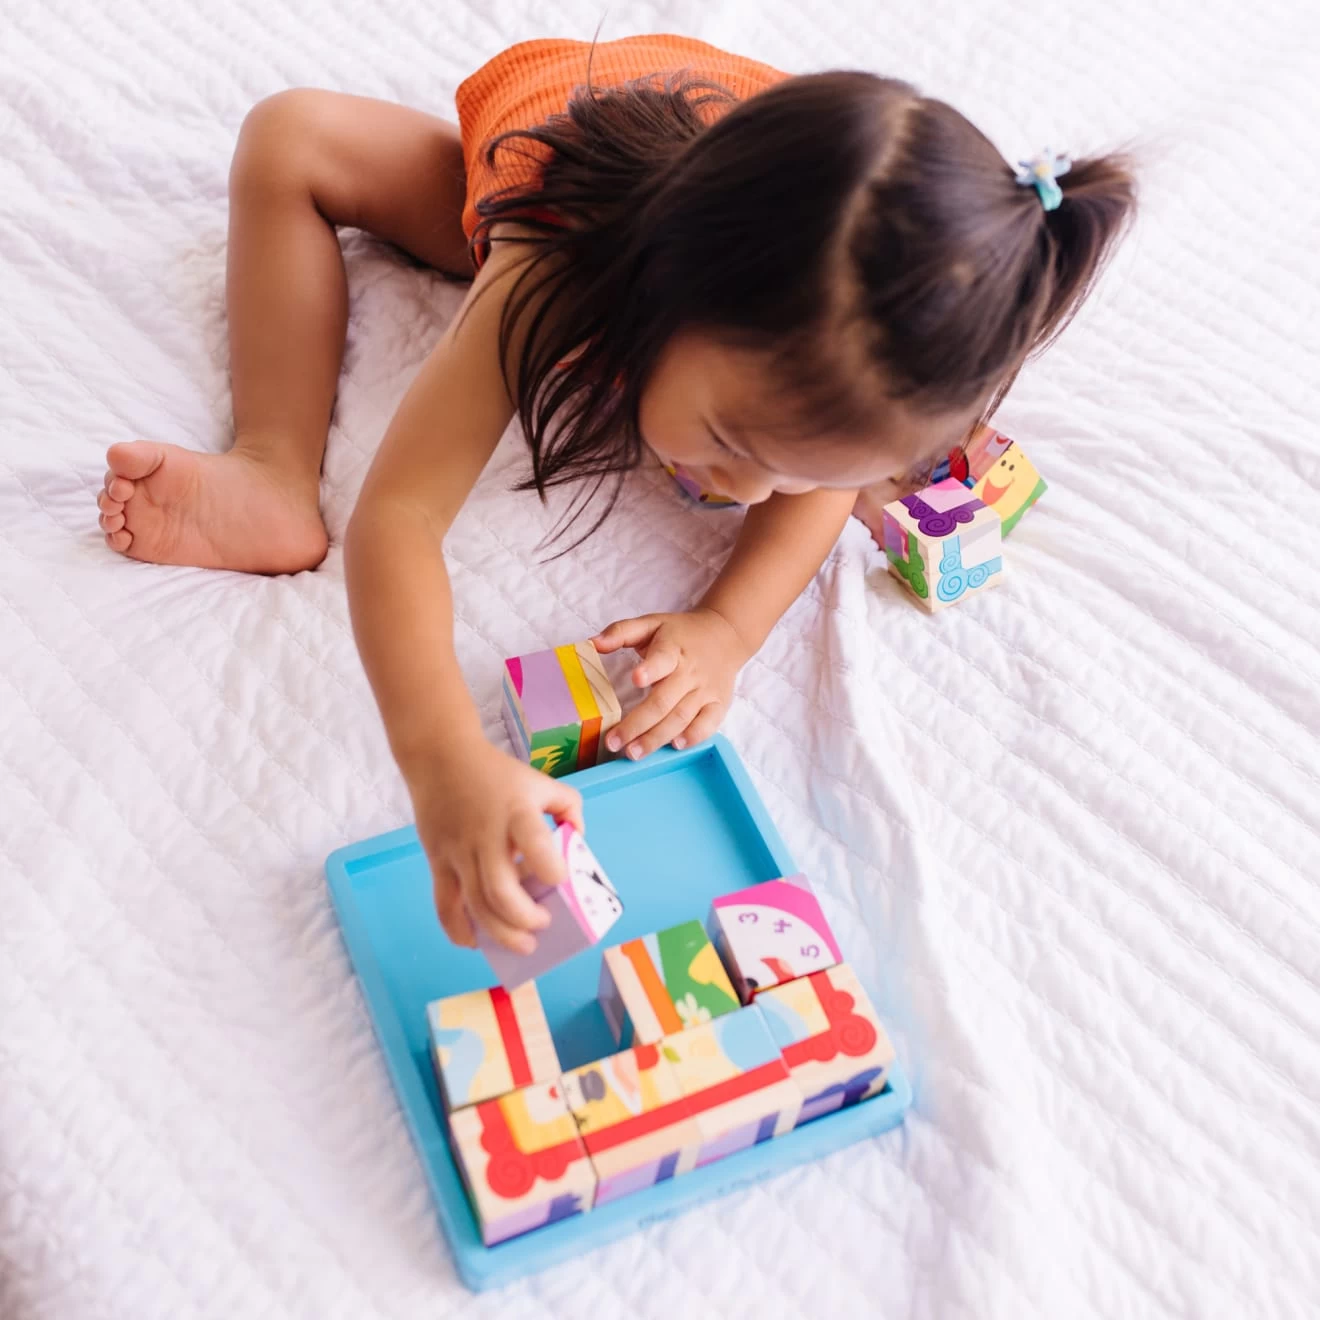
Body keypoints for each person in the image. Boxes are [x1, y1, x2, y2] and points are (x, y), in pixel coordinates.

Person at [93, 36, 1136, 954]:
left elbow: (818, 487)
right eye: (731, 440)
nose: (750, 491)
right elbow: (399, 520)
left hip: (788, 189)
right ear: (661, 291)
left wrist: (730, 626)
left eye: (801, 470)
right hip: (589, 145)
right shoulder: (549, 261)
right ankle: (273, 464)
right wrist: (445, 763)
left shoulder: (864, 354)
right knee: (289, 135)